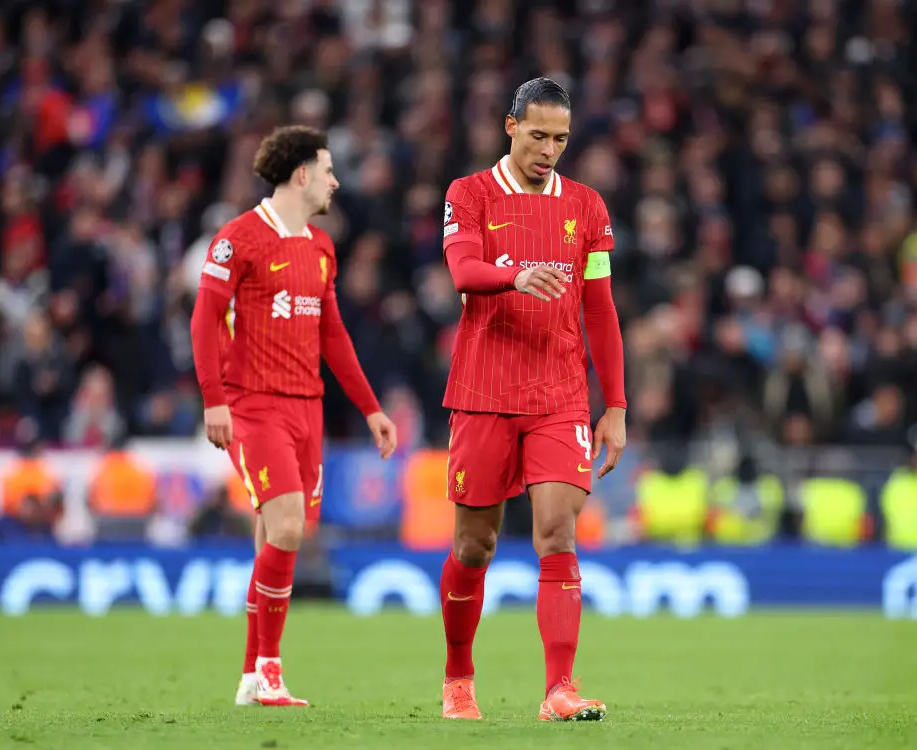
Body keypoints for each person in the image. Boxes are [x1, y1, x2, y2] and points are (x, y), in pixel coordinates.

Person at [438, 78, 627, 722]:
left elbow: (600, 311)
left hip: (560, 392)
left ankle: (559, 690)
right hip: (485, 390)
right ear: (510, 126)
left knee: (557, 532)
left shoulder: (589, 209)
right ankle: (459, 679)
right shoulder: (469, 195)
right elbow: (463, 273)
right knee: (474, 547)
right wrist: (515, 276)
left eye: (561, 139)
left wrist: (617, 407)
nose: (550, 149)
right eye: (540, 135)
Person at [190, 125, 398, 707]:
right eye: (329, 170)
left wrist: (371, 409)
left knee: (271, 539)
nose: (336, 181)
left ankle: (250, 677)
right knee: (287, 530)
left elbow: (332, 335)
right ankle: (273, 671)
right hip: (254, 408)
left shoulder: (322, 247)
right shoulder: (238, 239)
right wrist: (213, 398)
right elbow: (205, 320)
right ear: (301, 174)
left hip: (309, 411)